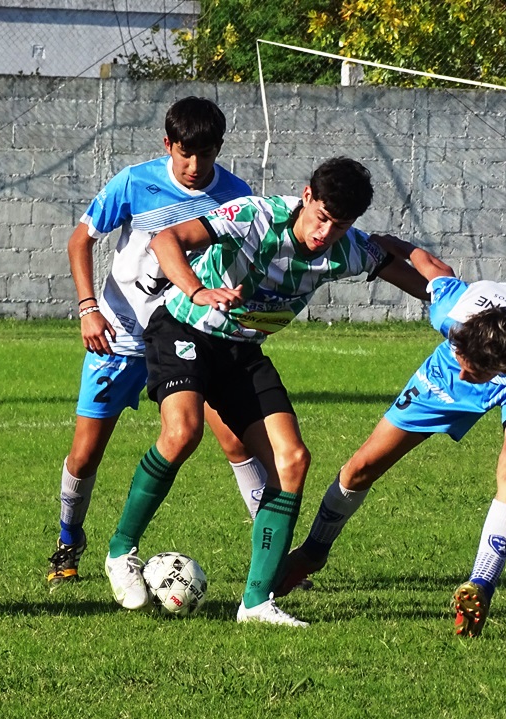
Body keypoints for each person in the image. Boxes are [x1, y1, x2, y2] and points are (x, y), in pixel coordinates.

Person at [102, 157, 433, 625]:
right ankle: (121, 552)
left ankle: (256, 603)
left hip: (240, 350)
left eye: (339, 226)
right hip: (185, 326)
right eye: (321, 217)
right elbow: (166, 239)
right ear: (306, 197)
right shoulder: (255, 217)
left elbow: (408, 276)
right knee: (183, 432)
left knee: (292, 459)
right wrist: (199, 290)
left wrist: (455, 301)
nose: (324, 234)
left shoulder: (346, 249)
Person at [276, 240, 506, 636]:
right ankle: (312, 552)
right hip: (451, 363)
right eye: (466, 367)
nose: (467, 378)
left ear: (500, 367)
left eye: (473, 374)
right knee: (363, 465)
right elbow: (428, 262)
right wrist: (381, 243)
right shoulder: (454, 312)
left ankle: (481, 585)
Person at [47, 97, 267, 587]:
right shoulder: (134, 182)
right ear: (167, 144)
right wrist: (88, 309)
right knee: (85, 453)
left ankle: (268, 548)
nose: (194, 166)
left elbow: (243, 258)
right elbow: (80, 240)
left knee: (233, 438)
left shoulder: (237, 194)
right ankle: (69, 539)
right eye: (185, 153)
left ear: (219, 149)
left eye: (205, 155)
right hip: (121, 338)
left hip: (194, 338)